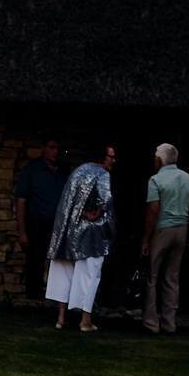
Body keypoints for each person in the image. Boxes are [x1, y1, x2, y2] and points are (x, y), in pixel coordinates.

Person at [44, 146, 116, 330]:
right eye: (111, 157)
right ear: (102, 158)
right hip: (91, 234)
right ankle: (85, 320)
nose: (113, 161)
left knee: (64, 272)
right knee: (90, 275)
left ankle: (61, 318)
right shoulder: (101, 174)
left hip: (67, 232)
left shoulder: (76, 172)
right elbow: (105, 197)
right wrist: (98, 212)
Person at [143, 143, 189, 334]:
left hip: (162, 229)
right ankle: (169, 323)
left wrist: (145, 238)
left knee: (152, 277)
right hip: (181, 229)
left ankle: (151, 323)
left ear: (159, 160)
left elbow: (154, 209)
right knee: (172, 278)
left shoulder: (156, 180)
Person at [12, 139, 69, 284]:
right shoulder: (32, 170)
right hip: (37, 223)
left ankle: (55, 299)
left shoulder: (63, 170)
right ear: (43, 148)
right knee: (35, 263)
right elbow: (21, 201)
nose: (55, 151)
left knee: (59, 264)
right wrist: (22, 232)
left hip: (58, 225)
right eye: (52, 147)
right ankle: (33, 300)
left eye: (58, 148)